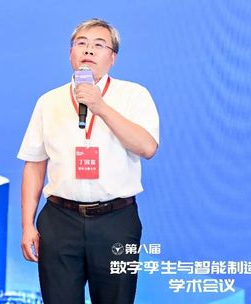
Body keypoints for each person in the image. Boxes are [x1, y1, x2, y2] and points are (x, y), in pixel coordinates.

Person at [18, 19, 159, 304]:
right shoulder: (49, 101)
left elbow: (147, 147)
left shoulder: (134, 95)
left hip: (116, 221)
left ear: (112, 58)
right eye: (81, 43)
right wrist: (27, 224)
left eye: (99, 45)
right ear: (70, 53)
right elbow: (34, 164)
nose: (88, 50)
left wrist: (100, 107)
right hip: (60, 221)